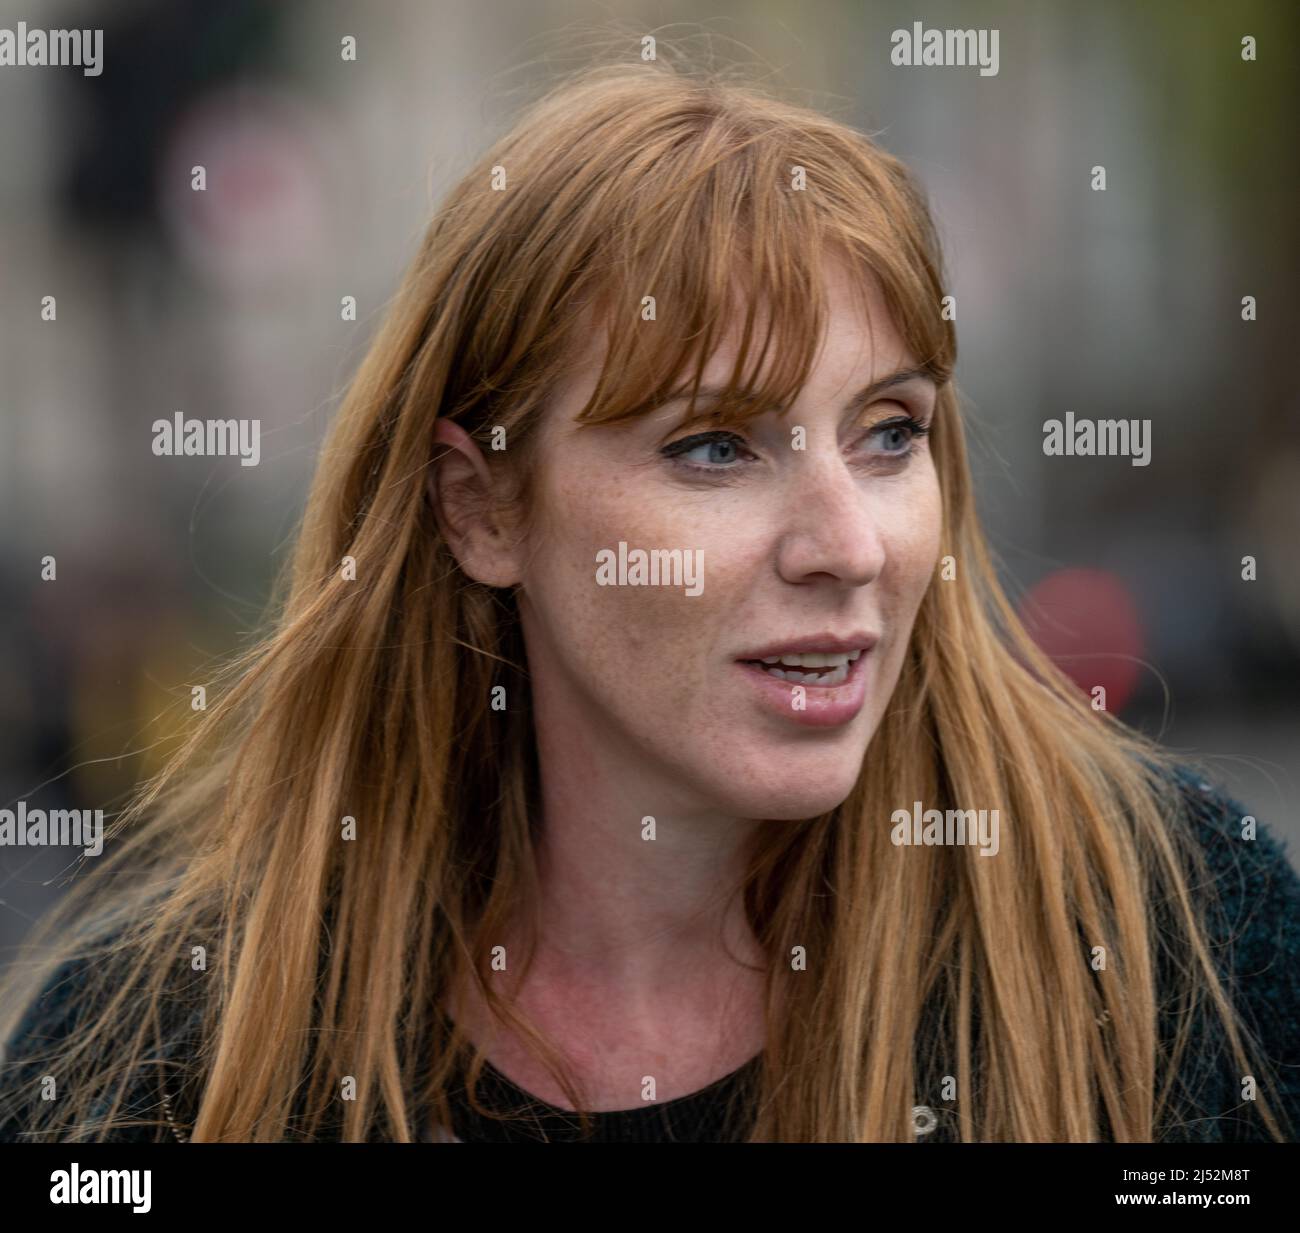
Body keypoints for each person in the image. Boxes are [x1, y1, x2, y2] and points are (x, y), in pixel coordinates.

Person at [2, 58, 1297, 1144]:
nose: (848, 544)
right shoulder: (176, 1053)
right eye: (716, 447)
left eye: (890, 432)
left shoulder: (1171, 939)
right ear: (481, 510)